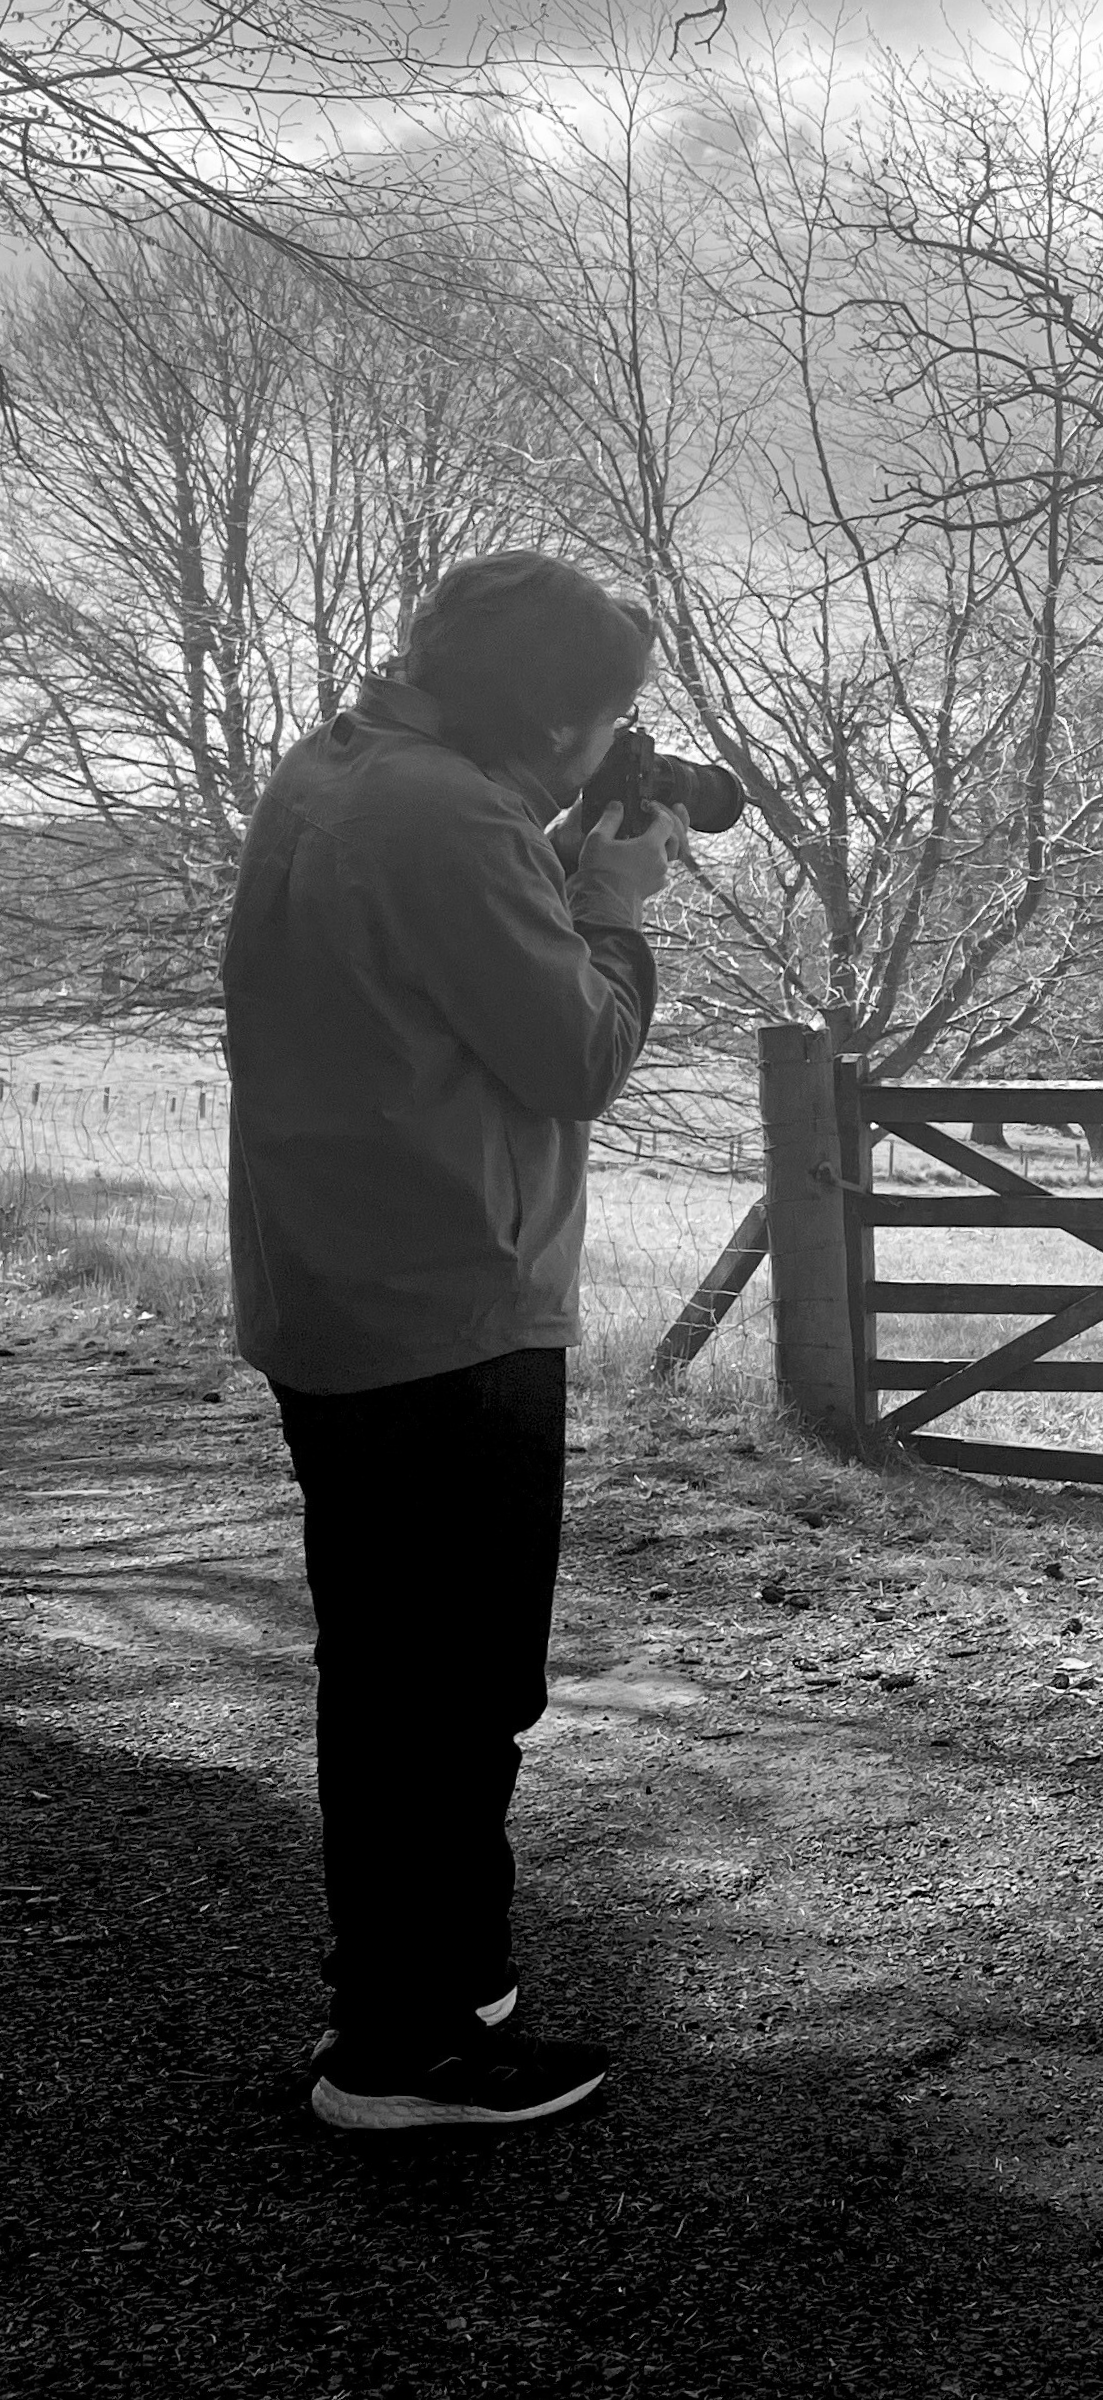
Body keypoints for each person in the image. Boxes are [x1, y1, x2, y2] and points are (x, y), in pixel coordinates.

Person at [222, 552, 686, 2131]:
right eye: (607, 715)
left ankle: (442, 1967)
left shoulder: (346, 772)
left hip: (342, 1284)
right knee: (448, 1681)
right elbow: (571, 1053)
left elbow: (427, 966)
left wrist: (545, 857)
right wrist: (614, 907)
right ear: (554, 716)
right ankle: (401, 2049)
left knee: (397, 1661)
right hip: (448, 1305)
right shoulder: (448, 814)